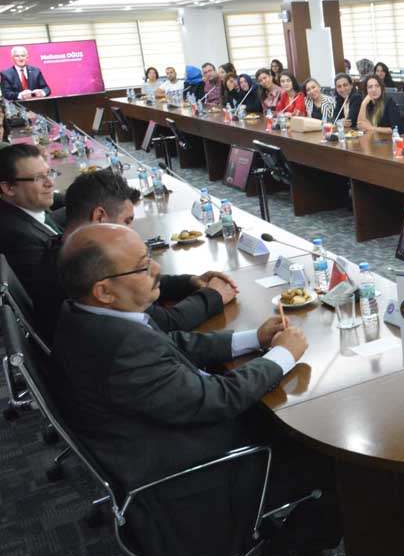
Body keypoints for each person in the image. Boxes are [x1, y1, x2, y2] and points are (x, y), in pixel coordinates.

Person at [51, 223, 339, 556]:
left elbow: (171, 343)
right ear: (104, 291)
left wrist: (254, 339)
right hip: (195, 478)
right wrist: (283, 354)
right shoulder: (120, 349)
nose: (156, 269)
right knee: (337, 466)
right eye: (143, 266)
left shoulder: (86, 314)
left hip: (157, 441)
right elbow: (217, 399)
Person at [30, 171, 237, 342]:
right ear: (100, 216)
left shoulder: (64, 248)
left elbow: (137, 278)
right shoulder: (80, 267)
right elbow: (165, 322)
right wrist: (214, 295)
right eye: (127, 221)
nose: (131, 231)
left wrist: (190, 281)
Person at [0, 144, 62, 298]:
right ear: (9, 188)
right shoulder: (16, 236)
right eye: (38, 178)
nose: (50, 183)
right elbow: (51, 295)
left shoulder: (30, 206)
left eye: (49, 173)